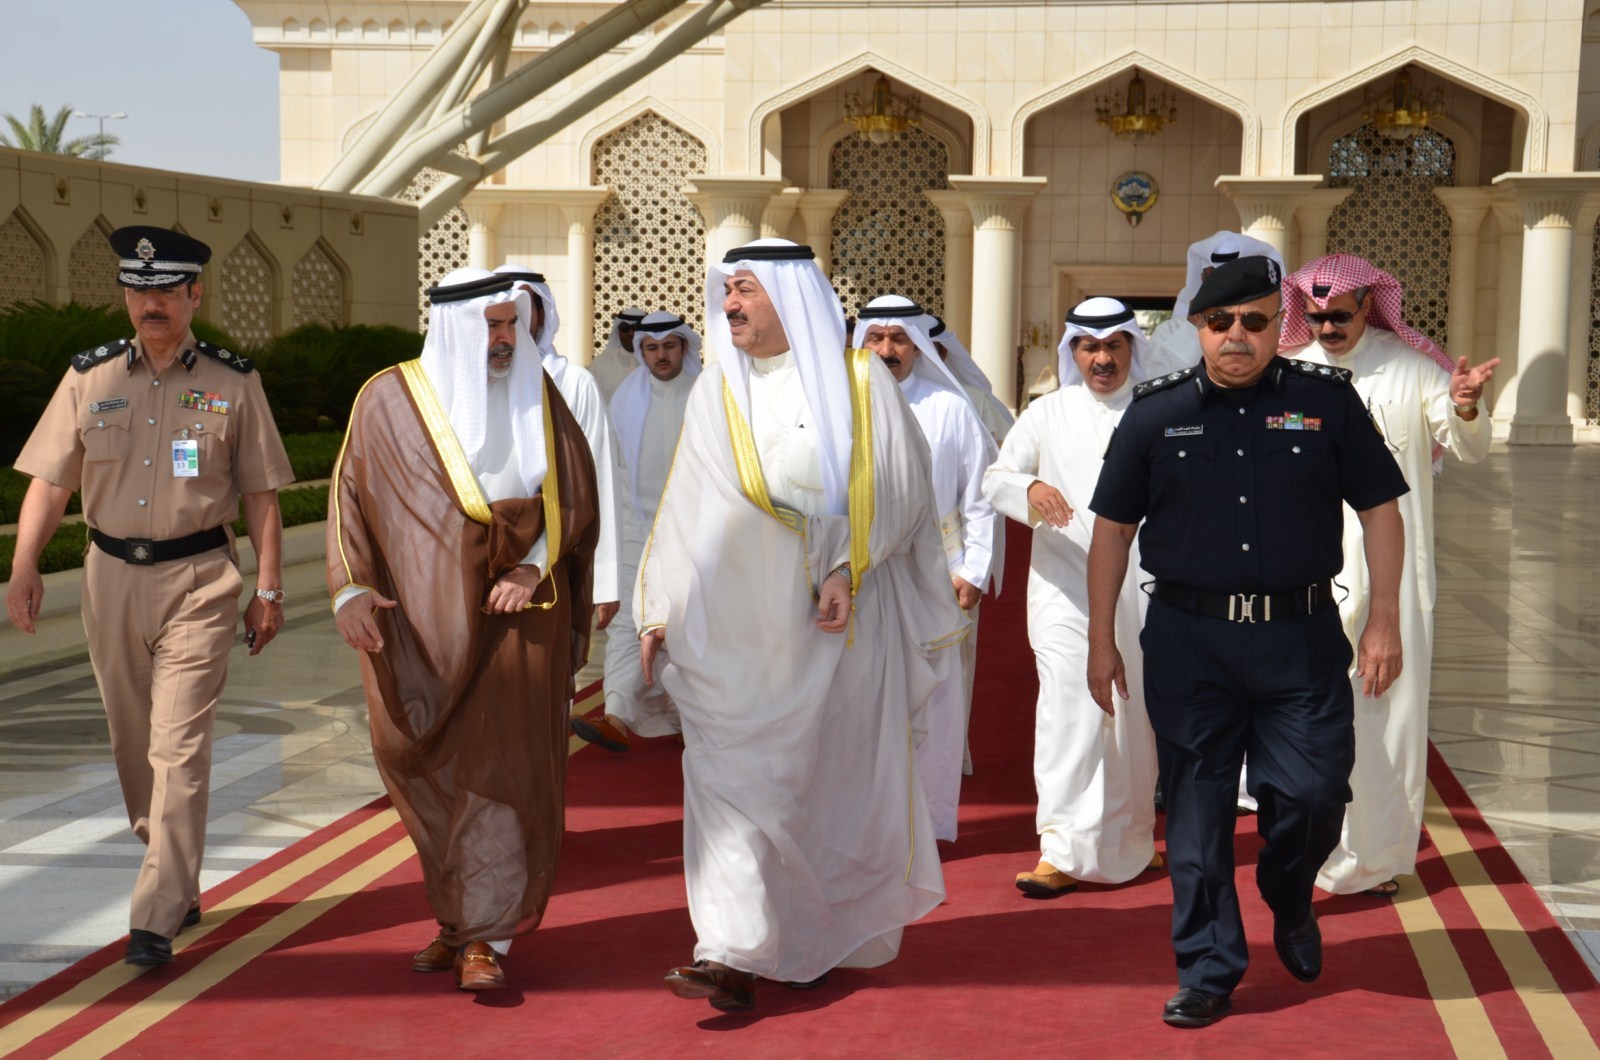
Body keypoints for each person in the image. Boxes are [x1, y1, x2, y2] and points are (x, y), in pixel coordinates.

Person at [637, 239, 963, 1012]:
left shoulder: (860, 383)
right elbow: (686, 505)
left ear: (791, 296)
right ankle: (729, 949)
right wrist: (658, 607)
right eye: (727, 291)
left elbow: (901, 488)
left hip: (837, 624)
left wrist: (849, 563)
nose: (730, 305)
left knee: (825, 788)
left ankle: (814, 936)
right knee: (726, 774)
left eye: (746, 290)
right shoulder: (717, 388)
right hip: (733, 628)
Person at [1086, 256, 1409, 1028]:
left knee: (1313, 795)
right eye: (1220, 322)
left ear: (1277, 326)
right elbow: (1112, 531)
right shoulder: (1155, 414)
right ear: (1198, 328)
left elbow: (1380, 510)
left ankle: (1290, 896)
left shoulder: (1325, 402)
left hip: (1300, 639)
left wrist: (1385, 618)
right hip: (1189, 643)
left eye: (1256, 321)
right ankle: (1207, 969)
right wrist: (1101, 639)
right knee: (1196, 817)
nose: (1237, 335)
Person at [6, 226, 292, 967]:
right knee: (135, 747)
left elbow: (260, 494)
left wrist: (268, 587)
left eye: (165, 290)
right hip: (110, 580)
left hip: (199, 580)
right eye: (138, 291)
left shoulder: (235, 382)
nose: (150, 303)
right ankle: (177, 875)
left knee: (178, 747)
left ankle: (155, 914)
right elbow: (50, 481)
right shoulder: (89, 377)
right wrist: (25, 564)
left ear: (194, 293)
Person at [327, 268, 599, 991]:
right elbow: (349, 498)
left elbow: (575, 497)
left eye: (511, 324)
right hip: (420, 620)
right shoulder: (388, 399)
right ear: (452, 328)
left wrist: (532, 568)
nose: (506, 339)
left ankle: (488, 936)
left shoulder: (539, 393)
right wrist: (351, 588)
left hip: (520, 616)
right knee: (423, 763)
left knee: (503, 769)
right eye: (492, 326)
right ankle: (456, 918)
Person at [1281, 253, 1497, 898]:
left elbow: (1468, 446)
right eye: (1315, 317)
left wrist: (1463, 407)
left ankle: (1372, 859)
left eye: (1339, 316)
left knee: (1386, 719)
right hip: (1303, 570)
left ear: (1368, 306)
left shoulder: (1412, 368)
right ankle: (1307, 849)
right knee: (1303, 718)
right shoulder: (1289, 372)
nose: (1326, 328)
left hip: (1393, 580)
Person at [983, 297, 1161, 897]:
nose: (1101, 359)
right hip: (1064, 590)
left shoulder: (1158, 409)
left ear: (1132, 347)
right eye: (1089, 347)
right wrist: (1029, 487)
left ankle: (1133, 840)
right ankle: (1060, 848)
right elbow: (995, 478)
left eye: (1113, 346)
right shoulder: (1047, 412)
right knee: (1068, 711)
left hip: (1144, 588)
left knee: (1135, 717)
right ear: (1072, 352)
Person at [855, 294, 996, 841]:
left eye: (899, 338)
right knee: (867, 696)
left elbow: (980, 498)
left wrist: (975, 570)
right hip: (862, 575)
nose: (887, 349)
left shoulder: (950, 407)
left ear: (918, 345)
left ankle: (931, 825)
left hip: (940, 574)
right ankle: (873, 821)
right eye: (876, 338)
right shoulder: (841, 407)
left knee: (937, 701)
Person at [493, 265, 621, 706]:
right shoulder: (477, 384)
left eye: (523, 307)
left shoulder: (574, 382)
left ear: (542, 313)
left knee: (545, 686)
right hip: (481, 559)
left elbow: (596, 480)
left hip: (556, 555)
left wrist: (603, 581)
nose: (513, 321)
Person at [591, 310, 702, 747]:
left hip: (693, 529)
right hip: (636, 526)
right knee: (627, 619)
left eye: (669, 346)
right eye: (652, 348)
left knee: (687, 621)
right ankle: (616, 712)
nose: (661, 356)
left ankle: (687, 716)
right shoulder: (625, 397)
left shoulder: (704, 394)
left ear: (684, 347)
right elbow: (614, 469)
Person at [1144, 231, 1284, 381]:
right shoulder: (1167, 334)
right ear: (1202, 279)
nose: (1223, 289)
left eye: (1235, 281)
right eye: (1214, 279)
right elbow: (1164, 385)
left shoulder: (1280, 330)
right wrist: (1194, 326)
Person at [926, 314, 1015, 444]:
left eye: (925, 349)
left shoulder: (974, 401)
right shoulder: (893, 399)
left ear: (943, 352)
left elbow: (1007, 449)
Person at [588, 305, 647, 401]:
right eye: (625, 328)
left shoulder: (655, 362)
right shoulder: (600, 363)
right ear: (618, 332)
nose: (630, 333)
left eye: (636, 328)